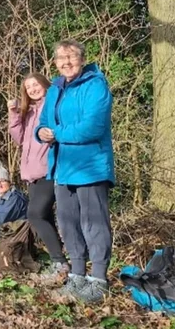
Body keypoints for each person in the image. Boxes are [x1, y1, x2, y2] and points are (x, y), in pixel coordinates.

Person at [35, 39, 115, 303]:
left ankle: (99, 281)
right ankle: (78, 276)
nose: (66, 62)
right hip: (62, 167)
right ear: (55, 62)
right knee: (68, 225)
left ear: (82, 59)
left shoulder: (96, 85)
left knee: (93, 224)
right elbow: (44, 121)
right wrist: (41, 132)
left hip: (90, 167)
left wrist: (56, 133)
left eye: (71, 57)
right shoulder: (55, 89)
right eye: (60, 58)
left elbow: (92, 127)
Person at [8, 72, 69, 276]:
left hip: (47, 170)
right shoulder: (30, 111)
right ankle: (59, 260)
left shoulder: (50, 105)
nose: (32, 89)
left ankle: (60, 262)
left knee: (34, 215)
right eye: (28, 87)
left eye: (35, 85)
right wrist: (15, 113)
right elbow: (19, 139)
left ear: (44, 84)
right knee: (44, 216)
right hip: (31, 174)